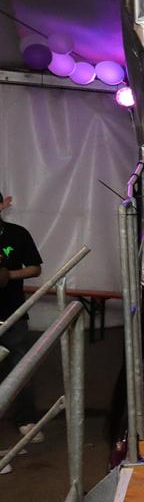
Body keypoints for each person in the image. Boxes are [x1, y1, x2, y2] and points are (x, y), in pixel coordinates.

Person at [0, 191, 44, 470]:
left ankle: (26, 419)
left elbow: (35, 269)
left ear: (2, 205)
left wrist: (10, 275)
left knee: (20, 367)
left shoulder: (17, 234)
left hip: (12, 313)